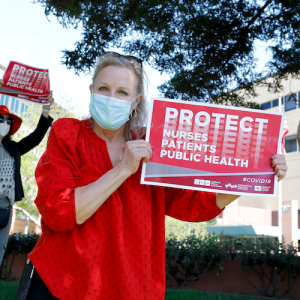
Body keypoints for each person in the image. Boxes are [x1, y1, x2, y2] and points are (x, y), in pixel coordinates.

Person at [25, 52, 288, 300]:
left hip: (129, 287)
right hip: (61, 286)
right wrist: (123, 170)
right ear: (91, 91)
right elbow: (60, 213)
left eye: (123, 92)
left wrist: (257, 176)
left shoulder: (155, 145)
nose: (111, 97)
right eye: (103, 88)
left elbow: (194, 205)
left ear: (135, 102)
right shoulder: (67, 133)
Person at [0, 78, 54, 265]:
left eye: (7, 121)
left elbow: (36, 137)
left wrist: (45, 111)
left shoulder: (13, 148)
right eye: (0, 119)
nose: (4, 124)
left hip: (5, 209)